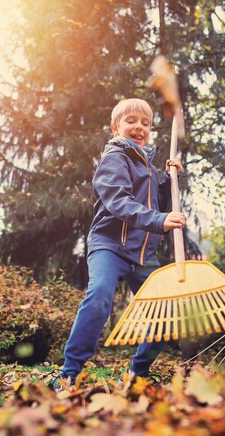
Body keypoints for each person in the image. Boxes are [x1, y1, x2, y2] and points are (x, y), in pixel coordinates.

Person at [54, 98, 185, 389]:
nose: (139, 127)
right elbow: (119, 202)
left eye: (146, 123)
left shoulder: (149, 166)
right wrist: (159, 220)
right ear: (115, 128)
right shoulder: (115, 157)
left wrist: (169, 178)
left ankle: (138, 372)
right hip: (109, 245)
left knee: (165, 311)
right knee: (99, 295)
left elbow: (158, 203)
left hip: (142, 253)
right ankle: (69, 373)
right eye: (131, 121)